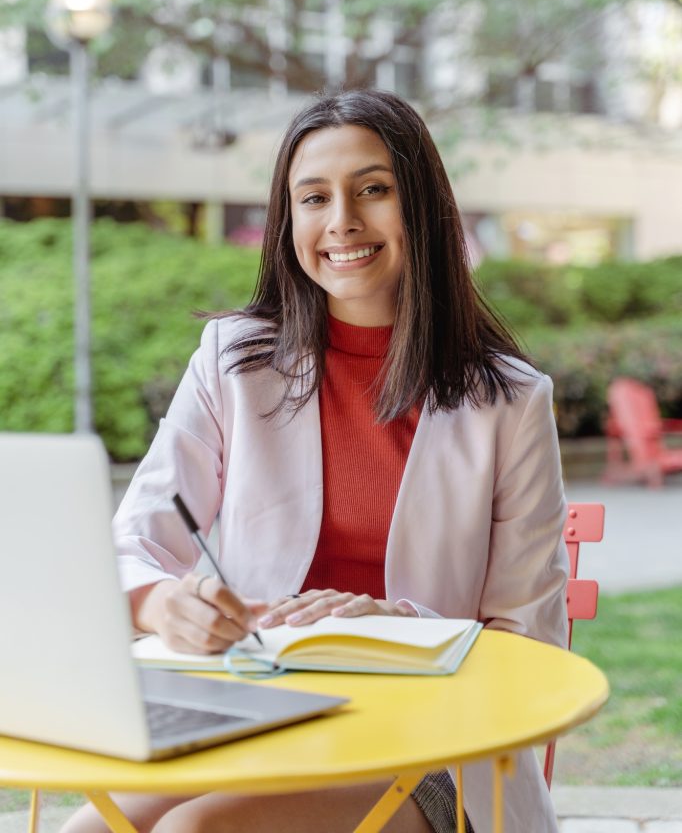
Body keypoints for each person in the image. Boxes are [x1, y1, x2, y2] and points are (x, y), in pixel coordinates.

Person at [62, 89, 568, 833]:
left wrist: (400, 625)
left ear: (421, 207)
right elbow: (131, 540)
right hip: (260, 719)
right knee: (89, 830)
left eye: (373, 190)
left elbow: (530, 644)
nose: (343, 223)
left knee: (195, 831)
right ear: (286, 219)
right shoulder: (235, 361)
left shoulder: (512, 401)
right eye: (313, 197)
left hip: (433, 749)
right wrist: (166, 604)